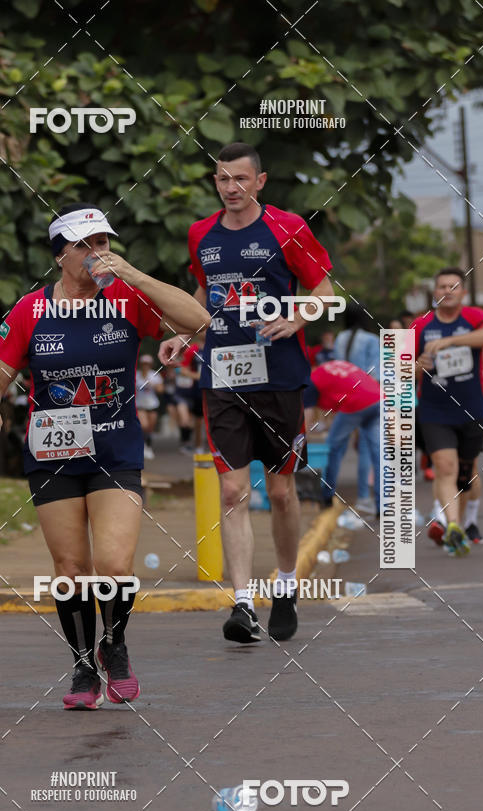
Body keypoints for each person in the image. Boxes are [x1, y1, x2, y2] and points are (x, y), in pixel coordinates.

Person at [0, 202, 209, 709]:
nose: (96, 253)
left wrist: (130, 273)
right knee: (69, 569)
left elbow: (198, 319)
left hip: (115, 446)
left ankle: (114, 646)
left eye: (104, 242)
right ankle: (82, 668)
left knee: (113, 565)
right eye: (83, 245)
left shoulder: (127, 297)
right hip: (53, 451)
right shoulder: (32, 310)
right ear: (59, 256)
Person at [159, 142, 333, 644]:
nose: (230, 188)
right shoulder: (201, 234)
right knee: (233, 491)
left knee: (280, 492)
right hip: (225, 375)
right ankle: (241, 604)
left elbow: (323, 291)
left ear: (260, 182)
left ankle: (284, 585)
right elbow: (202, 295)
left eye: (240, 179)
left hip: (279, 375)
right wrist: (182, 333)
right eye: (221, 180)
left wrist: (295, 318)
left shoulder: (288, 228)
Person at [412, 267, 483, 556]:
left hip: (471, 408)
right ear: (435, 293)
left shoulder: (474, 318)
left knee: (466, 475)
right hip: (435, 410)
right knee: (445, 466)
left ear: (463, 293)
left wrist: (450, 341)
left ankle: (465, 520)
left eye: (453, 286)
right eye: (442, 286)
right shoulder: (420, 326)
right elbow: (398, 370)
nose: (447, 291)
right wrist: (420, 365)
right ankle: (453, 526)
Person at [303, 361, 381, 514]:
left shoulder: (310, 381)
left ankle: (326, 496)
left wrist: (297, 445)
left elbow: (306, 421)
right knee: (376, 453)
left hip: (356, 402)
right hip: (378, 397)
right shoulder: (330, 368)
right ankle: (383, 506)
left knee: (332, 448)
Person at [333, 302, 381, 514]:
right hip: (369, 397)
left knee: (336, 448)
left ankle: (331, 494)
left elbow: (337, 369)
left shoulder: (340, 339)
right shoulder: (372, 340)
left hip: (346, 397)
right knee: (370, 450)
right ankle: (377, 501)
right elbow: (375, 373)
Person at [135, 354, 163, 459]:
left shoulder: (155, 375)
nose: (145, 366)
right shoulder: (136, 375)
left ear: (150, 364)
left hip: (152, 404)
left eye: (147, 364)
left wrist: (153, 385)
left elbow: (161, 389)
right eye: (143, 364)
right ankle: (141, 446)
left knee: (150, 428)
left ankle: (148, 446)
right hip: (140, 404)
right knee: (144, 425)